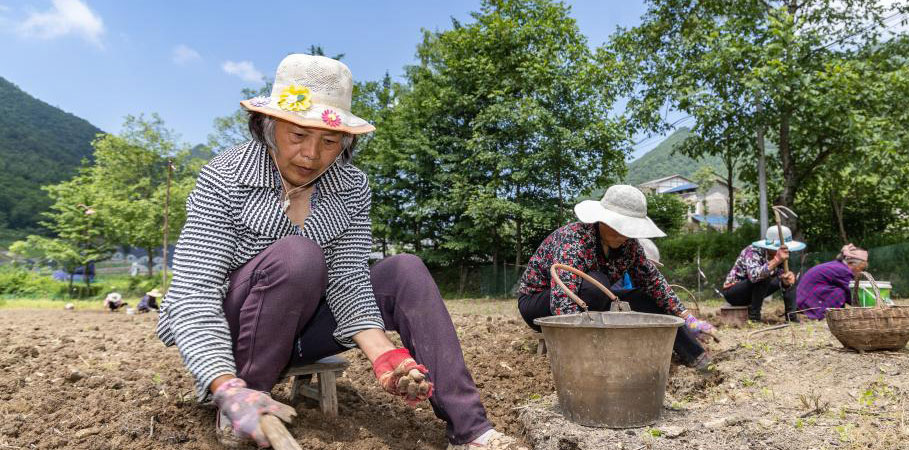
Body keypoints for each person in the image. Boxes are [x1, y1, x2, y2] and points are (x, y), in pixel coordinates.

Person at [157, 54, 524, 450]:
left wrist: (381, 352)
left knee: (405, 269)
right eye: (297, 136)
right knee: (299, 255)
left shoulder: (350, 186)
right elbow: (193, 293)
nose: (311, 155)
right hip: (235, 335)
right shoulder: (226, 176)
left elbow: (348, 279)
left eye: (329, 141)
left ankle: (471, 431)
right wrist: (226, 385)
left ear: (344, 142)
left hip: (303, 331)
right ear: (268, 127)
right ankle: (246, 401)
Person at [518, 185, 715, 369]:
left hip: (593, 299)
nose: (624, 235)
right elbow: (563, 300)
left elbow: (652, 281)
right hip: (541, 302)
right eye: (619, 227)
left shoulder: (629, 245)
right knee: (596, 285)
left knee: (645, 298)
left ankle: (697, 357)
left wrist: (687, 318)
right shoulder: (574, 240)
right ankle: (588, 348)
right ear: (602, 220)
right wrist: (581, 350)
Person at [722, 225, 804, 322]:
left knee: (790, 278)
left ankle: (791, 317)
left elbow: (781, 276)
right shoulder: (753, 251)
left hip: (755, 292)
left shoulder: (782, 257)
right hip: (734, 292)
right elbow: (754, 276)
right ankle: (754, 318)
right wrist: (776, 260)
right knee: (764, 276)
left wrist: (786, 280)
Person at [796, 244, 869, 319]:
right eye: (861, 268)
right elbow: (850, 295)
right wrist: (866, 306)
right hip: (806, 302)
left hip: (803, 299)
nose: (861, 271)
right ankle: (821, 315)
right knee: (840, 293)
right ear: (851, 263)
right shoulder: (843, 271)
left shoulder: (838, 265)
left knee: (840, 292)